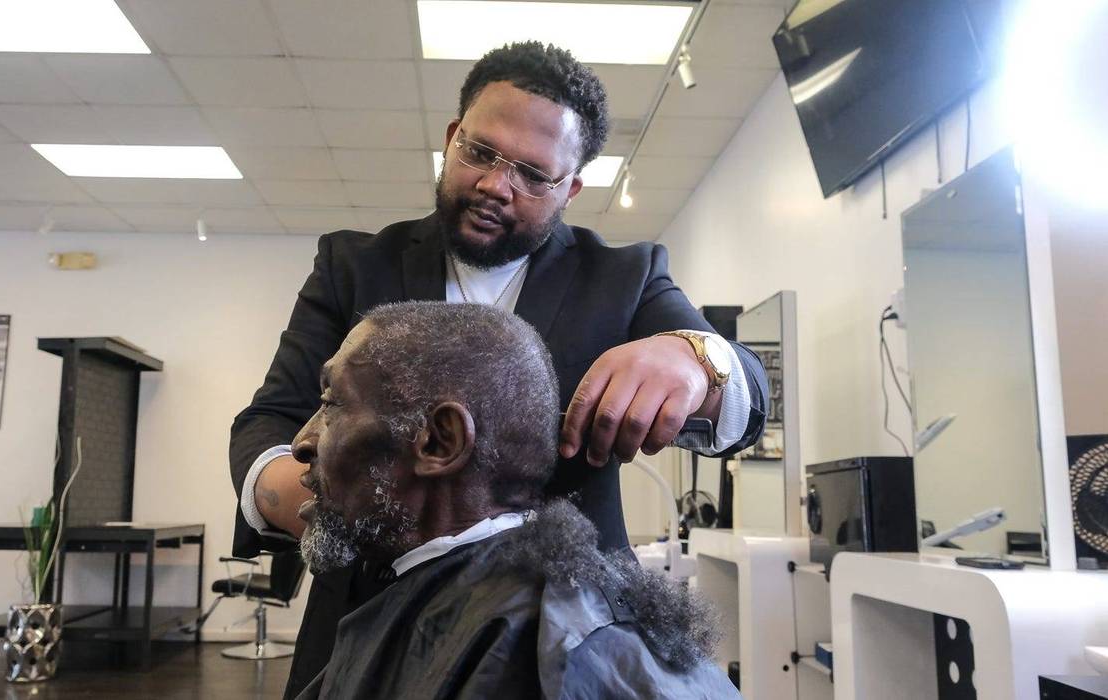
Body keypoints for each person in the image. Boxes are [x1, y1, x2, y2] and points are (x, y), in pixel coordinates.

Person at [228, 42, 768, 697]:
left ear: (569, 186)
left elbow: (744, 395)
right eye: (479, 153)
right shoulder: (355, 265)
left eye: (532, 174)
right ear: (452, 137)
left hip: (559, 633)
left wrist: (693, 360)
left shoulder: (622, 280)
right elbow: (270, 423)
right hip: (365, 621)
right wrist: (340, 514)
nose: (494, 185)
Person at [291, 301, 738, 698]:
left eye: (331, 404)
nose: (301, 443)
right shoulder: (423, 587)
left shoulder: (571, 649)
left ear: (439, 443)